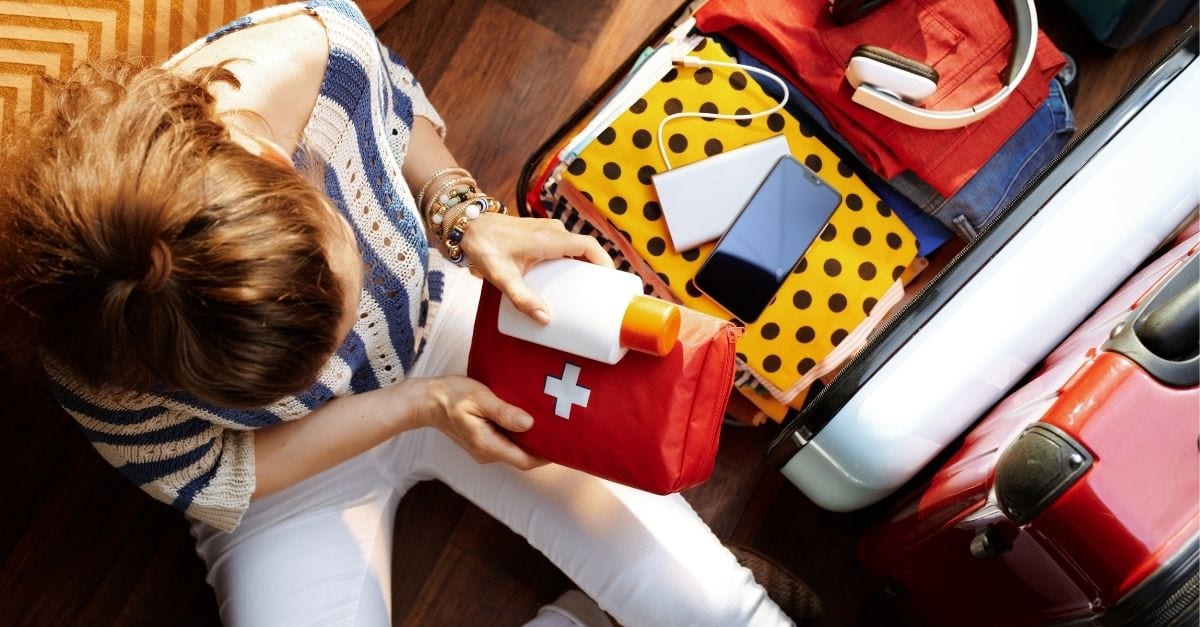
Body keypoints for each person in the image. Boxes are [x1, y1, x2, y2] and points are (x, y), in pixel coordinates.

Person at [0, 1, 816, 625]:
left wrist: (464, 215)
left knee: (715, 610)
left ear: (287, 169)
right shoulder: (91, 332)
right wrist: (414, 406)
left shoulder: (317, 52)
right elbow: (217, 475)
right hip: (287, 469)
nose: (335, 363)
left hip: (444, 330)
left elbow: (399, 115)